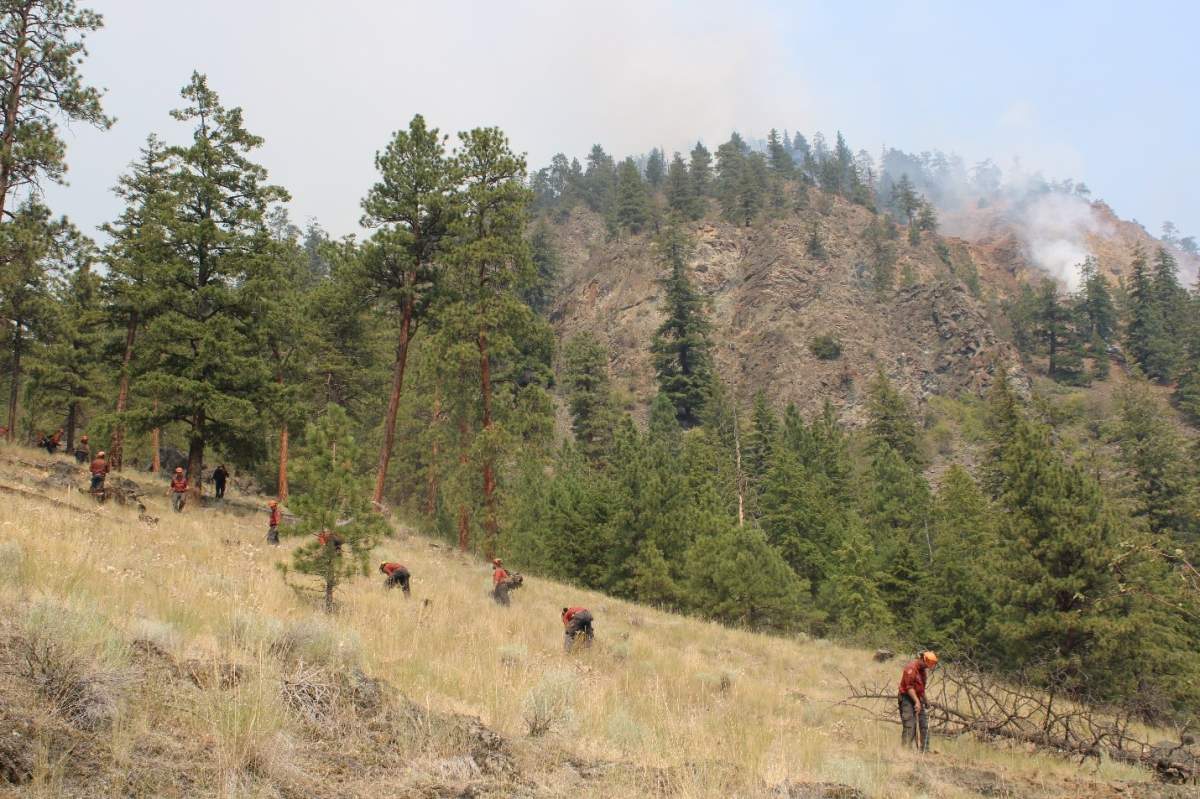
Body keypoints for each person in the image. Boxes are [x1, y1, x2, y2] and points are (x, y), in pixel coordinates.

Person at [898, 650, 938, 752]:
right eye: (928, 664)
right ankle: (905, 750)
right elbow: (909, 688)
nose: (928, 667)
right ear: (923, 659)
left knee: (924, 724)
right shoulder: (911, 668)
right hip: (906, 698)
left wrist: (926, 701)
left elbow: (921, 689)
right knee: (910, 724)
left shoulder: (923, 672)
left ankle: (925, 750)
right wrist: (917, 702)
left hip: (918, 698)